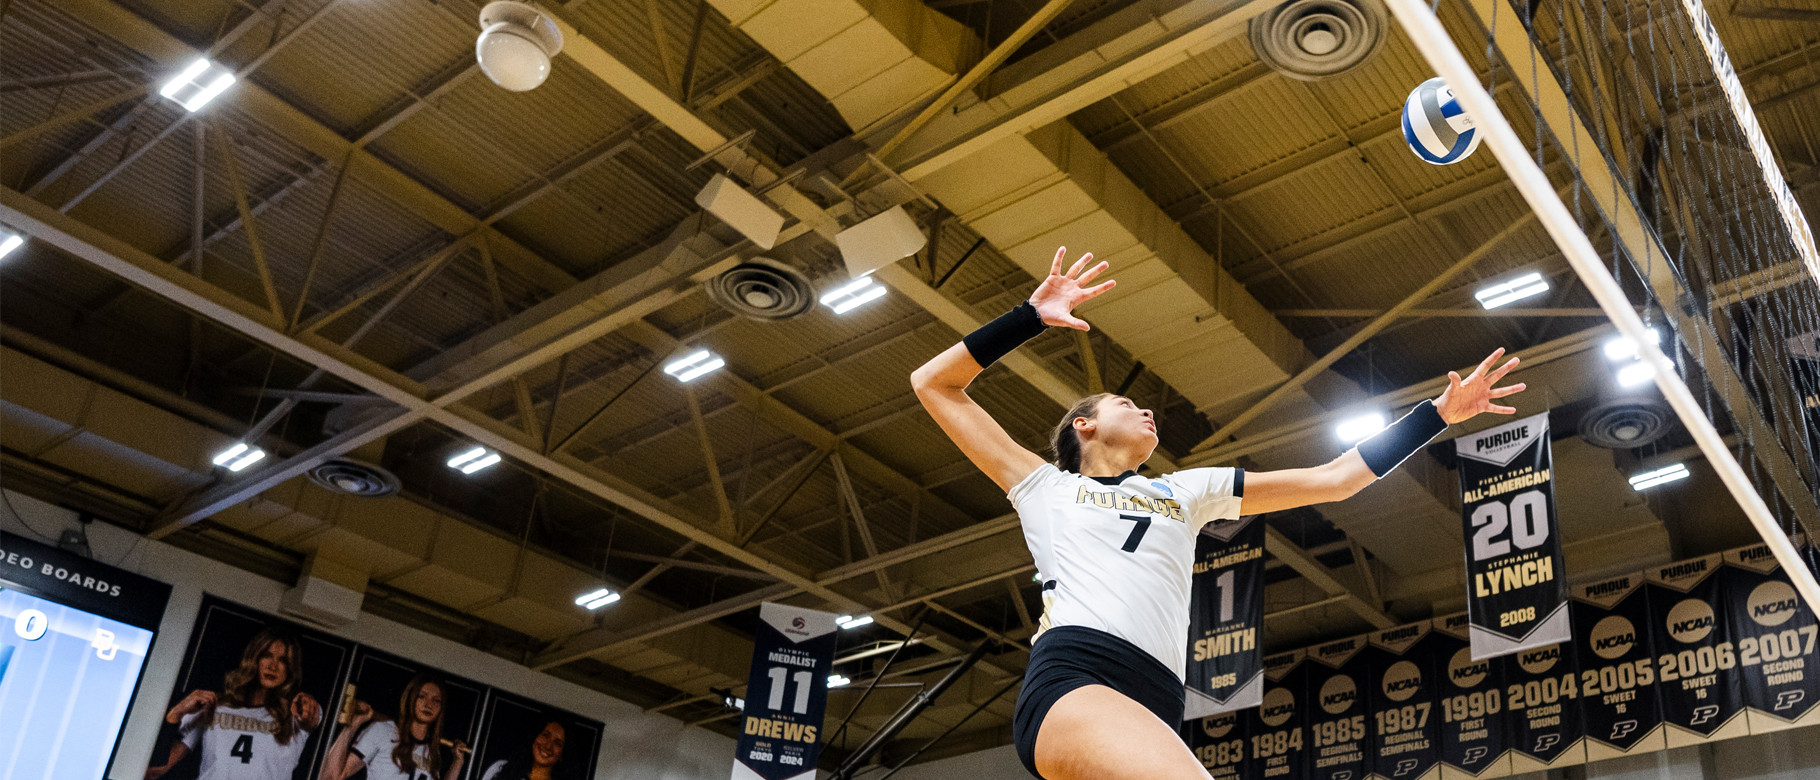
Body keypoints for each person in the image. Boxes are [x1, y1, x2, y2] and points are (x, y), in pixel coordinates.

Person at [910, 247, 1525, 780]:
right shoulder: (1043, 486)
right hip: (1076, 674)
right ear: (1084, 423)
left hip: (1158, 698)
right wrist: (1029, 317)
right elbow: (933, 384)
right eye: (1127, 402)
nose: (1148, 413)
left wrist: (1435, 416)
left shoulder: (1185, 491)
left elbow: (1333, 480)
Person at [146, 628, 322, 780]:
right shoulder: (213, 705)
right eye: (266, 655)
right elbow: (154, 771)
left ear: (290, 668)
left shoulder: (295, 713)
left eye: (283, 660)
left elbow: (311, 717)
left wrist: (308, 708)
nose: (273, 666)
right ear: (255, 658)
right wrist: (175, 714)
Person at [318, 674, 468, 780]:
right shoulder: (382, 730)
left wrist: (457, 762)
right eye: (421, 696)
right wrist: (352, 726)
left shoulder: (431, 750)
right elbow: (331, 776)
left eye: (436, 700)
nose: (428, 705)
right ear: (411, 698)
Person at [478, 720, 576, 780]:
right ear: (534, 737)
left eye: (557, 743)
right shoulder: (501, 768)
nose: (548, 746)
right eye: (545, 735)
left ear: (562, 754)